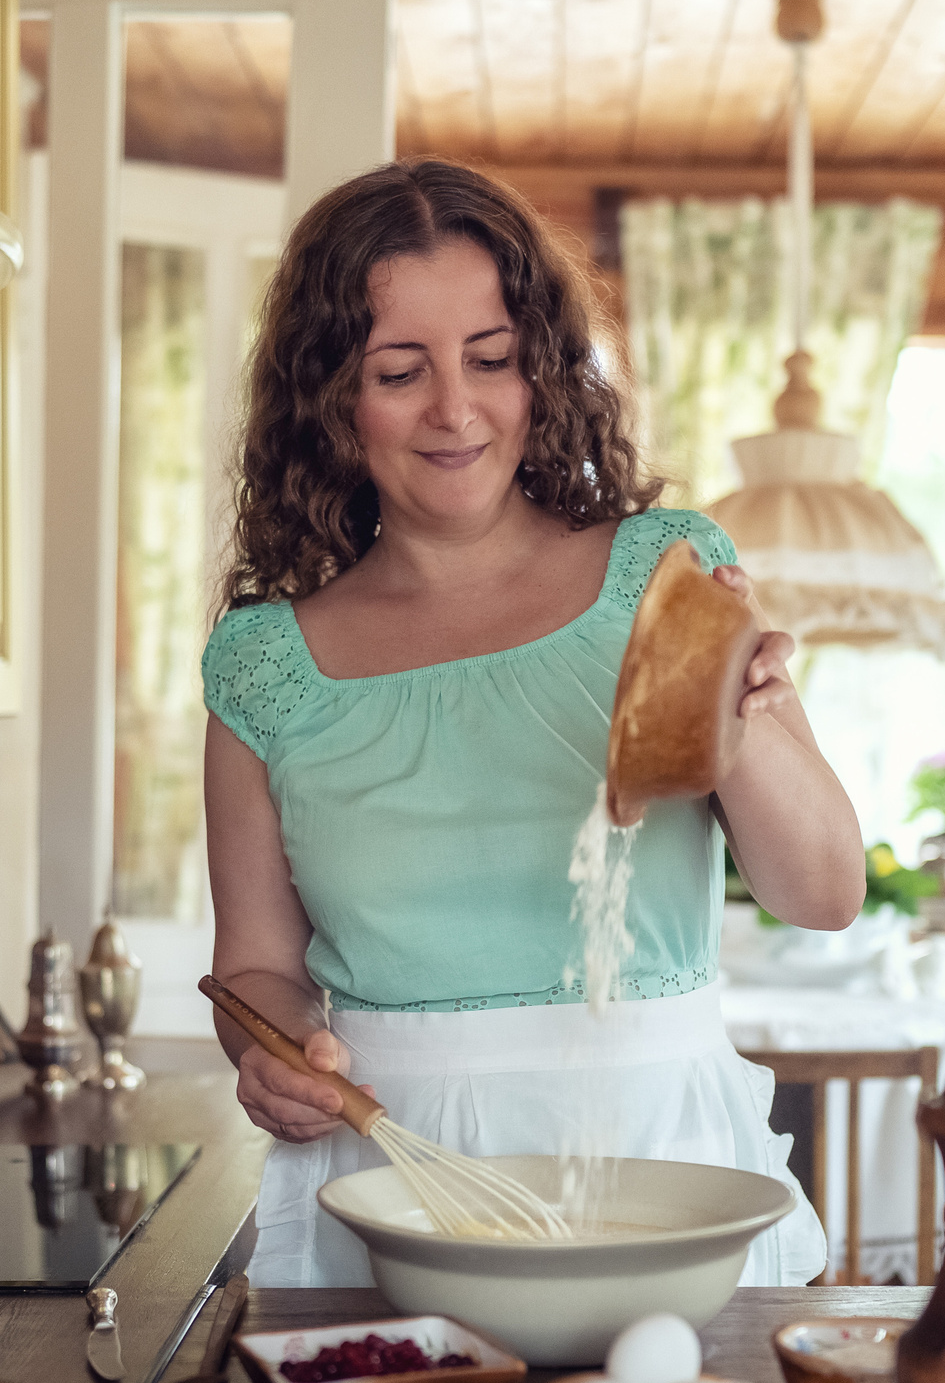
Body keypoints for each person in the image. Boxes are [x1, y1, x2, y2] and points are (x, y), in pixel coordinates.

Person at [201, 158, 858, 1288]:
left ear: (543, 369)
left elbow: (823, 895)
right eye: (398, 371)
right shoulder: (266, 664)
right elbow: (256, 966)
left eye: (491, 359)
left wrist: (737, 721)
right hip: (392, 1171)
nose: (454, 410)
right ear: (329, 398)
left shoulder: (666, 573)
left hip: (658, 1149)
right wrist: (269, 1059)